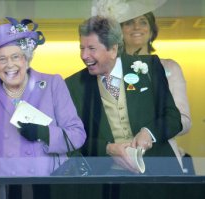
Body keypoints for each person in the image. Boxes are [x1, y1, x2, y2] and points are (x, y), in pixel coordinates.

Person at [65, 15, 183, 176]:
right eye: (81, 48)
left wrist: (149, 133)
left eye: (91, 49)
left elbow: (173, 118)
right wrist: (108, 148)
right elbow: (72, 139)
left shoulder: (149, 67)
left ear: (113, 49)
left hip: (159, 174)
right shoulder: (74, 85)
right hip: (107, 180)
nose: (84, 56)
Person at [0, 17, 86, 177]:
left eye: (16, 57)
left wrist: (44, 133)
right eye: (2, 59)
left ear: (26, 59)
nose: (10, 65)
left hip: (48, 185)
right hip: (6, 186)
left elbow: (77, 135)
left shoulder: (52, 84)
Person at [92, 0, 193, 174]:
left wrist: (150, 132)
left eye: (143, 22)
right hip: (116, 163)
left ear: (152, 29)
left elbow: (183, 120)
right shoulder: (107, 70)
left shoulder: (168, 67)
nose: (136, 27)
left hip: (161, 159)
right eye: (129, 22)